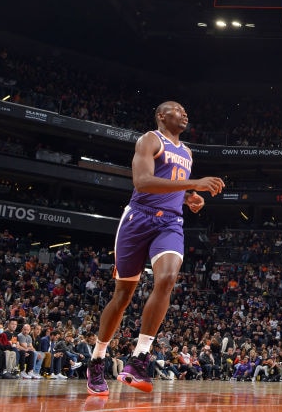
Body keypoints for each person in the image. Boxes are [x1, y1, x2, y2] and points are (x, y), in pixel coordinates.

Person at [86, 101, 224, 396]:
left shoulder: (187, 152)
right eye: (177, 109)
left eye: (186, 110)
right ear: (162, 116)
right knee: (122, 296)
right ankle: (97, 359)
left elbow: (172, 183)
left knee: (167, 278)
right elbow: (143, 181)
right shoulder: (150, 139)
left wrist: (188, 197)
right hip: (138, 219)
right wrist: (194, 184)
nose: (185, 113)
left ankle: (139, 358)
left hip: (170, 223)